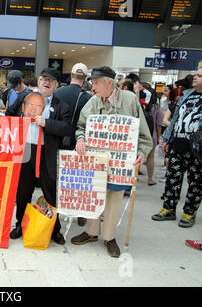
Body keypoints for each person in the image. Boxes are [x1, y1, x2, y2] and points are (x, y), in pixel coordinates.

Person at [71, 66, 153, 258]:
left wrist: (141, 152)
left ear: (109, 82)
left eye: (96, 83)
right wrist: (81, 139)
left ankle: (109, 237)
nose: (93, 87)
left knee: (114, 197)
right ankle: (91, 232)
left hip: (120, 162)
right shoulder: (92, 102)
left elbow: (143, 132)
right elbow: (81, 127)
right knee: (94, 194)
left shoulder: (130, 100)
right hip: (97, 160)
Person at [6, 68, 72, 245]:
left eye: (51, 80)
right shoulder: (25, 98)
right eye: (43, 79)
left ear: (57, 85)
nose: (46, 82)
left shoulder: (62, 106)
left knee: (50, 192)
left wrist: (47, 123)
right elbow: (8, 116)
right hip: (26, 150)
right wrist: (21, 120)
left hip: (46, 153)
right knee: (23, 191)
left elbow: (67, 129)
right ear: (39, 81)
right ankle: (20, 224)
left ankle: (54, 229)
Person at [152, 67, 202, 228]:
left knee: (195, 182)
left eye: (199, 76)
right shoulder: (186, 95)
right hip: (178, 144)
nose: (195, 78)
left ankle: (189, 212)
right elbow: (174, 119)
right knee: (172, 179)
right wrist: (167, 138)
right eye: (195, 74)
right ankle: (168, 208)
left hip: (197, 149)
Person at [53, 62, 92, 227]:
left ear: (70, 76)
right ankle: (80, 212)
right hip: (80, 144)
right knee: (80, 178)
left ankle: (60, 206)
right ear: (85, 78)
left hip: (58, 140)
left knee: (60, 177)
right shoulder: (89, 98)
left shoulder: (57, 92)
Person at [145, 88, 163, 186]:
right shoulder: (157, 108)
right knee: (150, 157)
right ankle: (150, 179)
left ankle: (135, 175)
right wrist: (159, 137)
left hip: (139, 134)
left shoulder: (140, 106)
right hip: (152, 134)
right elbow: (159, 124)